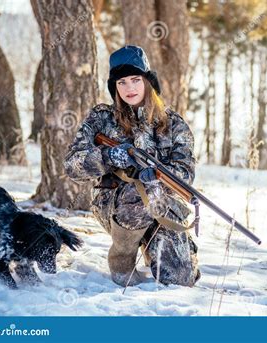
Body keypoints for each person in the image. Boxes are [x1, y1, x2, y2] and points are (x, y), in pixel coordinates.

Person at [64, 45, 200, 287]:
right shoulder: (101, 118)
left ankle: (151, 245)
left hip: (162, 203)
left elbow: (185, 173)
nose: (129, 88)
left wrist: (155, 178)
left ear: (148, 81)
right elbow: (71, 166)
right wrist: (108, 156)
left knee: (180, 279)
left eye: (135, 80)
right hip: (115, 205)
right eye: (122, 82)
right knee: (137, 195)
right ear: (114, 86)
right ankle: (121, 261)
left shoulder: (172, 123)